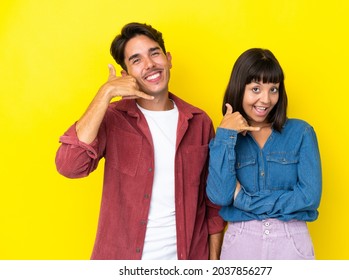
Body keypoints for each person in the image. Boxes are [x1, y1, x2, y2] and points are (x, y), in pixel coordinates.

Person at [55, 22, 225, 260]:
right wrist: (105, 93)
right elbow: (70, 166)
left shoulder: (199, 121)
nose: (150, 64)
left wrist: (214, 263)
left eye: (154, 53)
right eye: (136, 60)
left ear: (168, 59)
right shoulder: (113, 118)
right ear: (126, 76)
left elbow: (213, 202)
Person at [206, 48, 322, 260]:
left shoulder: (301, 133)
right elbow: (220, 195)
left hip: (291, 241)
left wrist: (244, 200)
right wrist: (225, 135)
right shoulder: (226, 139)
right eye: (256, 89)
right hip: (240, 241)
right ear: (239, 88)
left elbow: (309, 198)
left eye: (273, 89)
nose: (266, 100)